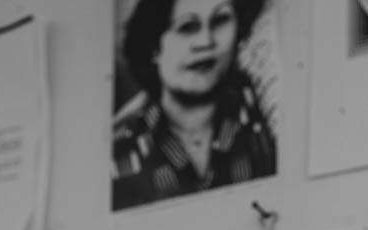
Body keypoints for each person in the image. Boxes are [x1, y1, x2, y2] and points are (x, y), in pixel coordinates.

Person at [111, 0, 277, 211]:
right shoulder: (119, 150)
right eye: (187, 27)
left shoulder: (267, 120)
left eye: (220, 20)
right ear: (154, 48)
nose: (205, 41)